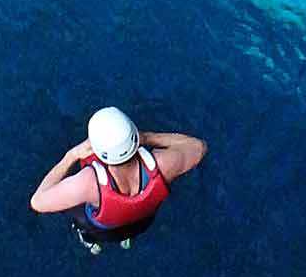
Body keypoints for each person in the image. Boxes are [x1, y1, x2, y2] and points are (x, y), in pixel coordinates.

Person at [29, 107, 207, 254]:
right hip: (141, 222)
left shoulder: (87, 183)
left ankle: (90, 241)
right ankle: (126, 239)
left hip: (104, 231)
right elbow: (199, 147)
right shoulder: (164, 164)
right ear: (133, 137)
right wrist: (148, 137)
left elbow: (37, 202)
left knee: (76, 214)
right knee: (130, 222)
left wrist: (71, 156)